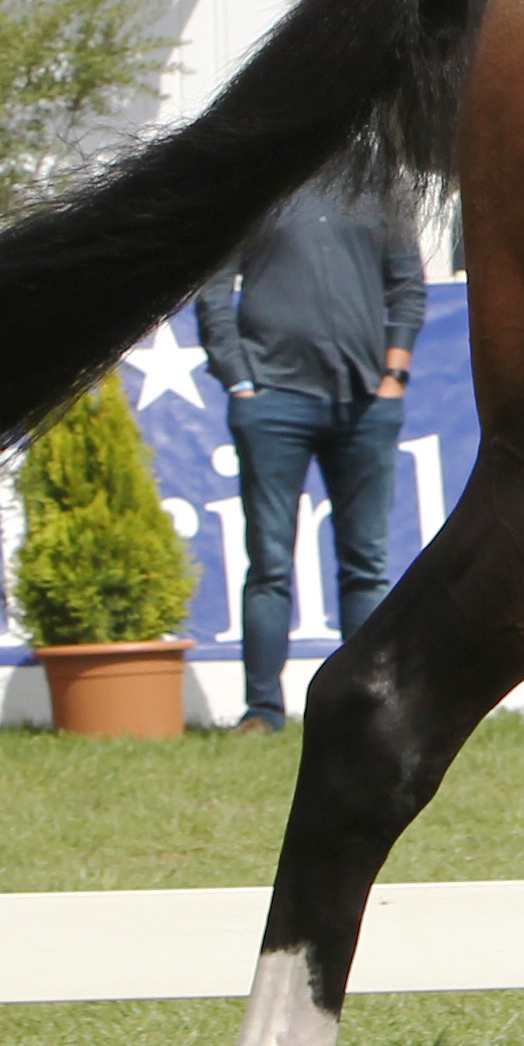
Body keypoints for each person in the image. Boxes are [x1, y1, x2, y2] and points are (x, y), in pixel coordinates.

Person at [194, 175, 426, 731]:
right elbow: (213, 291)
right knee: (270, 565)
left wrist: (394, 376)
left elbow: (408, 288)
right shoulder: (256, 189)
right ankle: (262, 711)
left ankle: (365, 709)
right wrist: (240, 380)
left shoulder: (381, 188)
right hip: (273, 405)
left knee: (366, 564)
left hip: (366, 405)